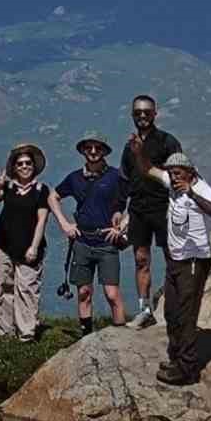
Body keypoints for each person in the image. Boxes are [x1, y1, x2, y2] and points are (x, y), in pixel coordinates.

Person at [136, 151, 211, 386]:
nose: (173, 178)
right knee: (172, 311)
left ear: (190, 173)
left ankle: (187, 369)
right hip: (175, 260)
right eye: (171, 173)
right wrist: (138, 149)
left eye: (177, 173)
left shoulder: (201, 188)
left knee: (186, 314)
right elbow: (148, 169)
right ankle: (176, 358)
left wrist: (192, 193)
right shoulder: (173, 183)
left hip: (194, 261)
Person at [51, 136, 130, 333]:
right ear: (83, 152)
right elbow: (53, 196)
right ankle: (86, 336)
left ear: (104, 151)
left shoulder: (116, 176)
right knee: (84, 292)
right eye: (89, 148)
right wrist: (64, 224)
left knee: (112, 294)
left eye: (98, 148)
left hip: (106, 243)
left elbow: (136, 200)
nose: (93, 151)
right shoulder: (74, 178)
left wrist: (122, 227)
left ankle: (121, 335)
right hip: (82, 241)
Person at [119, 94, 183, 328]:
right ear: (132, 115)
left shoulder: (168, 142)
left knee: (172, 258)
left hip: (164, 207)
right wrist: (120, 210)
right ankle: (144, 310)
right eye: (138, 112)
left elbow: (179, 174)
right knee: (140, 259)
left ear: (155, 113)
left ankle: (174, 307)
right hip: (138, 209)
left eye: (147, 112)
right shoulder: (129, 147)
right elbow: (124, 179)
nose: (142, 116)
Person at [0, 143, 54, 342]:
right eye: (20, 164)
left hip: (29, 247)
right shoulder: (8, 187)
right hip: (3, 244)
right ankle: (4, 330)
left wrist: (34, 246)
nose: (24, 167)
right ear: (14, 168)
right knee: (3, 286)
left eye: (28, 163)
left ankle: (26, 333)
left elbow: (42, 219)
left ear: (34, 166)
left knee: (27, 289)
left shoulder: (41, 190)